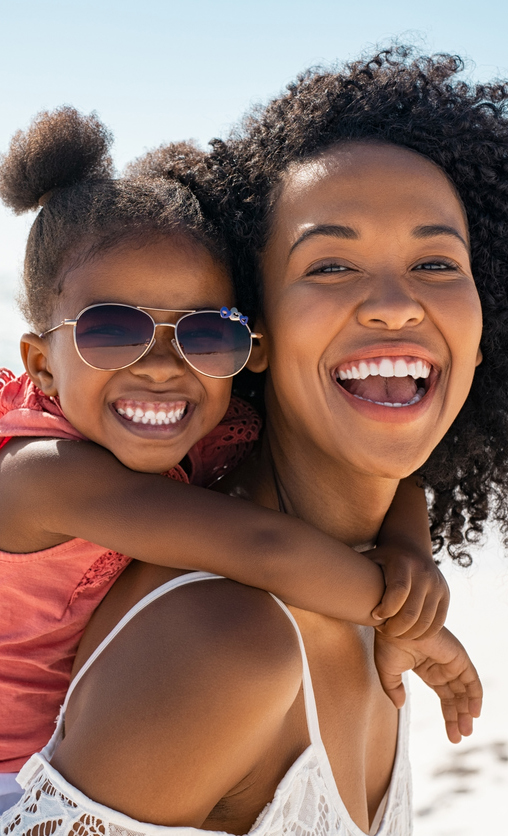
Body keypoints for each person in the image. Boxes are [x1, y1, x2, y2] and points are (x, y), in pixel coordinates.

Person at [3, 48, 496, 835]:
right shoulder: (224, 640)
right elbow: (264, 546)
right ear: (265, 332)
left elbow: (390, 479)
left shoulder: (221, 443)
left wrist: (410, 553)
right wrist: (414, 623)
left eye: (436, 261)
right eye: (331, 263)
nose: (396, 305)